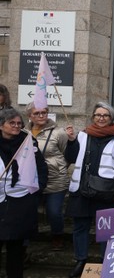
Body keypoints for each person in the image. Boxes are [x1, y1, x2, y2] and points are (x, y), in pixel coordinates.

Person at [64, 102, 114, 278]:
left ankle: (105, 262)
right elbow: (70, 158)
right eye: (97, 115)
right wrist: (70, 141)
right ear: (93, 117)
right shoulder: (83, 135)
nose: (101, 118)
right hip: (82, 189)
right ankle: (81, 260)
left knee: (107, 229)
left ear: (111, 118)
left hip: (108, 191)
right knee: (80, 227)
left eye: (105, 115)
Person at [0, 108, 47, 278]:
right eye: (12, 123)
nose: (17, 127)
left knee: (16, 249)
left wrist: (37, 189)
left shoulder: (28, 142)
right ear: (1, 125)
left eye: (19, 123)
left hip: (20, 200)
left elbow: (41, 167)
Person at [26, 103, 70, 251]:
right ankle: (26, 241)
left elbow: (67, 155)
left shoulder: (59, 132)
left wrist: (58, 167)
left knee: (54, 211)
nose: (41, 116)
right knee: (27, 211)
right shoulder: (24, 132)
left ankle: (57, 235)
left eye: (44, 112)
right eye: (37, 113)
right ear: (30, 116)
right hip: (32, 179)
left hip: (55, 179)